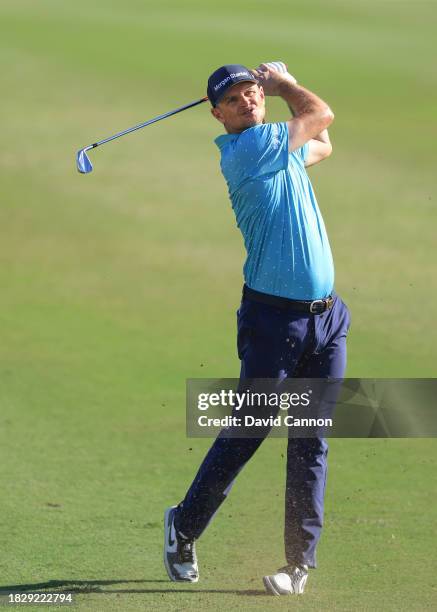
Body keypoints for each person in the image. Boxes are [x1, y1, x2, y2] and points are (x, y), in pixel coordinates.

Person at [163, 62, 351, 596]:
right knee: (249, 431)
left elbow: (324, 142)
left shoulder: (278, 146)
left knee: (311, 439)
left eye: (253, 93)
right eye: (237, 98)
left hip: (327, 319)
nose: (248, 101)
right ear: (216, 113)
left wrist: (281, 91)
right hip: (275, 321)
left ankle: (298, 565)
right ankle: (185, 524)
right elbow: (321, 114)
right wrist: (286, 83)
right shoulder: (248, 151)